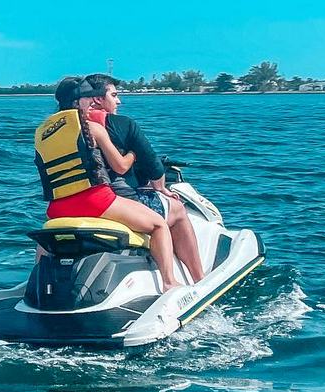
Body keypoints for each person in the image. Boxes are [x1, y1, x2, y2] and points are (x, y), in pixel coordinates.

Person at [34, 77, 181, 290]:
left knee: (46, 242)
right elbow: (120, 166)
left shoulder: (42, 133)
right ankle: (170, 282)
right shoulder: (94, 128)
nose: (92, 103)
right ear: (78, 102)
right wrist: (133, 153)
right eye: (87, 99)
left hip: (57, 208)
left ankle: (38, 285)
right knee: (158, 225)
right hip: (95, 201)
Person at [83, 74, 205, 283]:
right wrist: (161, 187)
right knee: (177, 210)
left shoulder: (67, 128)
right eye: (114, 95)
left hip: (78, 201)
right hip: (117, 201)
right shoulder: (121, 125)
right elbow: (153, 165)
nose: (118, 101)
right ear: (97, 100)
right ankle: (196, 279)